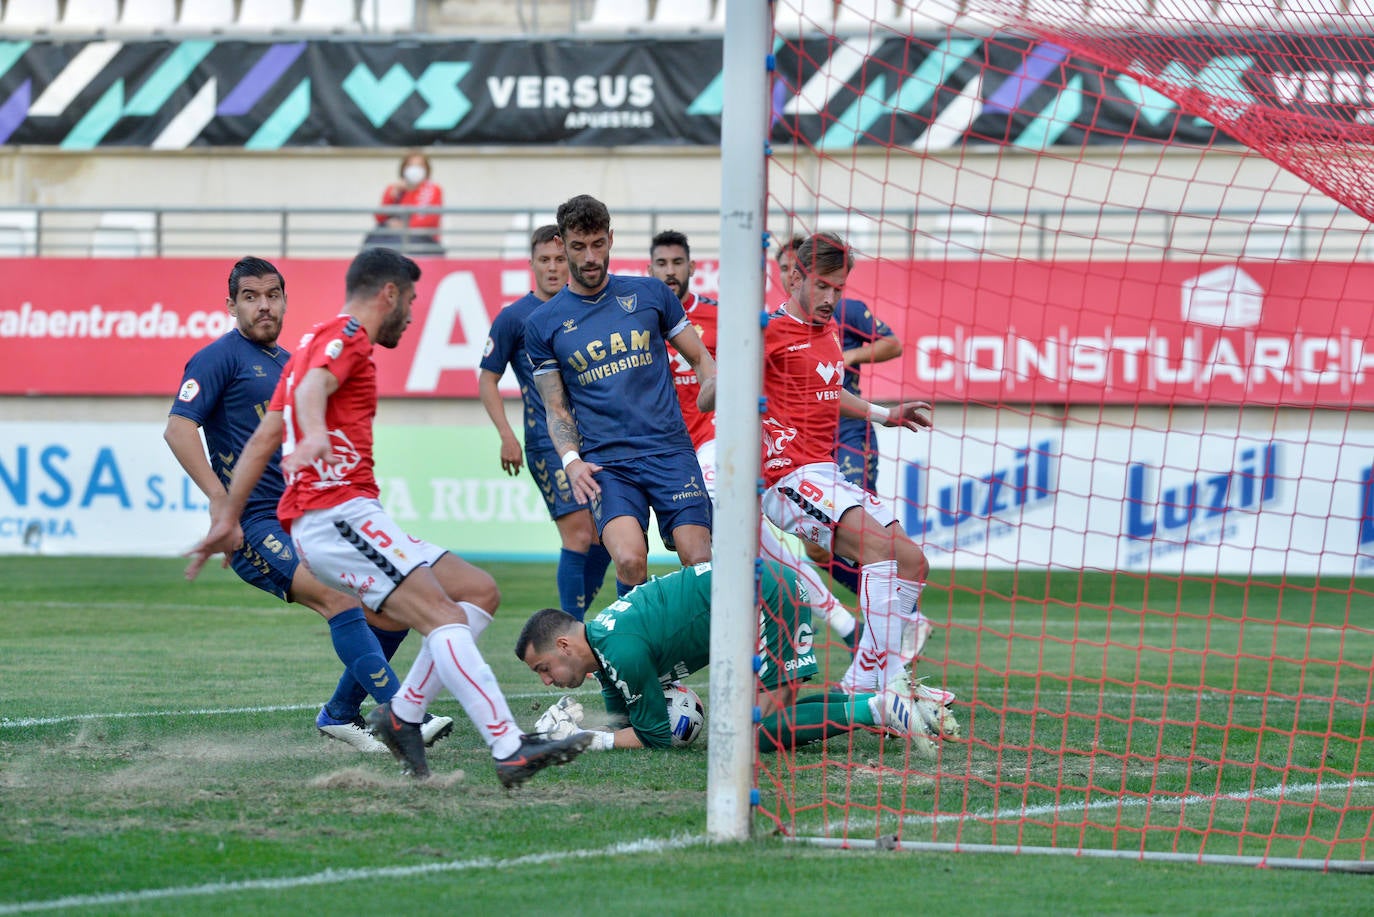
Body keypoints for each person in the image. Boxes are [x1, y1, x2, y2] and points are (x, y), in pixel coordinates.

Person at [185, 248, 592, 785]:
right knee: (443, 619)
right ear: (390, 295)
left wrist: (225, 516)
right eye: (413, 302)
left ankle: (401, 717)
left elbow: (264, 436)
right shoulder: (346, 336)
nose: (413, 314)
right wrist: (309, 435)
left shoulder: (306, 344)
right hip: (335, 516)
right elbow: (310, 396)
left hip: (352, 514)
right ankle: (508, 747)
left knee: (479, 591)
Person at [164, 256, 451, 754]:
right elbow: (178, 428)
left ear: (284, 300)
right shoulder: (218, 358)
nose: (263, 306)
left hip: (308, 514)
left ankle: (340, 715)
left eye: (272, 295)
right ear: (231, 305)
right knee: (339, 599)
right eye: (250, 297)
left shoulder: (289, 361)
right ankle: (401, 715)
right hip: (255, 523)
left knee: (391, 605)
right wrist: (220, 503)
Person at [763, 232, 952, 713]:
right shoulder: (768, 333)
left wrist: (886, 414)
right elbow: (721, 389)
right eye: (823, 286)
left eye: (839, 289)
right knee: (880, 550)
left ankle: (873, 683)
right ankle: (875, 685)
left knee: (912, 563)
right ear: (797, 276)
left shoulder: (827, 333)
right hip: (788, 478)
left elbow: (829, 393)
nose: (831, 299)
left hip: (825, 472)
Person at [650, 229, 859, 650]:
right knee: (713, 546)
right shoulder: (638, 320)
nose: (670, 272)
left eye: (677, 263)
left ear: (691, 267)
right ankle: (807, 622)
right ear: (650, 268)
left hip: (716, 441)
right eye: (662, 264)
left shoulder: (718, 316)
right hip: (668, 450)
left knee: (733, 528)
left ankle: (816, 625)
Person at [514, 560, 958, 753]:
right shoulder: (607, 652)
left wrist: (579, 739)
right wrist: (581, 724)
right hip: (762, 591)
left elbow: (655, 738)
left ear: (565, 646)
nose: (547, 682)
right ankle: (887, 700)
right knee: (761, 720)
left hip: (764, 598)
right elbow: (627, 722)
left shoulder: (620, 651)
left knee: (753, 735)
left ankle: (879, 707)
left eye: (544, 669)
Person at [524, 195, 716, 595]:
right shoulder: (542, 323)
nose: (590, 256)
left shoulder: (651, 294)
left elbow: (700, 357)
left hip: (670, 452)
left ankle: (702, 652)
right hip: (606, 464)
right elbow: (556, 407)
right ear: (561, 245)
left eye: (597, 244)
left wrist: (713, 386)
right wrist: (572, 462)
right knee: (629, 560)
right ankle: (634, 654)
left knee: (700, 559)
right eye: (578, 246)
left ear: (610, 238)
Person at [479, 225, 612, 619]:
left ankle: (568, 628)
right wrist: (506, 435)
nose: (553, 268)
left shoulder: (584, 306)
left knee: (605, 537)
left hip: (592, 440)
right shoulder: (515, 317)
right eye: (544, 260)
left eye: (559, 259)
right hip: (545, 441)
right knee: (579, 534)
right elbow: (488, 377)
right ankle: (571, 632)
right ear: (532, 263)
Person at [777, 234, 903, 596]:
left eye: (793, 267)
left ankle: (895, 620)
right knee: (817, 548)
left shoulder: (841, 312)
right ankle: (887, 616)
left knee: (873, 540)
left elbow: (892, 343)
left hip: (848, 430)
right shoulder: (779, 326)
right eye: (783, 269)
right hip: (804, 447)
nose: (788, 275)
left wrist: (851, 358)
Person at [369, 150, 443, 255]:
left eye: (419, 166)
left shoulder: (433, 189)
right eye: (410, 165)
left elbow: (429, 220)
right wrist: (391, 196)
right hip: (392, 240)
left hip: (422, 241)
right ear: (403, 169)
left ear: (426, 170)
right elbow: (379, 218)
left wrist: (404, 226)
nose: (415, 169)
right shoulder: (394, 189)